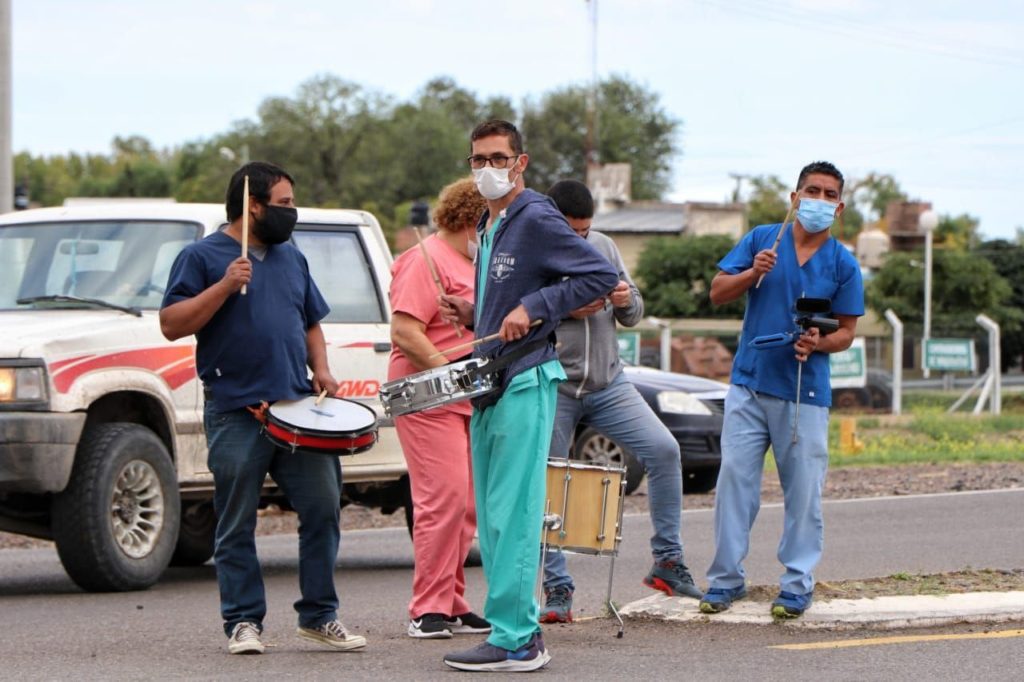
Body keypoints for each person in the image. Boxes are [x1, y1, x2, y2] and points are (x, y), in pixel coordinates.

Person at [159, 162, 366, 655]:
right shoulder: (201, 256)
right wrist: (226, 285)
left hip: (298, 408)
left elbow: (311, 321)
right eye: (286, 203)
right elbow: (171, 323)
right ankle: (243, 622)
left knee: (322, 510)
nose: (291, 214)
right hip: (236, 411)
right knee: (235, 521)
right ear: (255, 204)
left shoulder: (291, 257)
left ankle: (319, 616)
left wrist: (322, 367)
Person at [437, 120, 619, 672]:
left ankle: (519, 638)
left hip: (524, 380)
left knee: (513, 513)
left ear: (521, 162)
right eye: (477, 159)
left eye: (497, 157)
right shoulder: (493, 224)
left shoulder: (536, 216)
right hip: (492, 382)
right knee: (493, 513)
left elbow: (599, 275)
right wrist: (478, 314)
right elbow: (507, 300)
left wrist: (537, 306)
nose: (486, 169)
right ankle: (510, 628)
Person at [700, 161, 864, 619]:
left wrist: (818, 342)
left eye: (829, 194)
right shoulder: (761, 240)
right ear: (794, 198)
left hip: (803, 393)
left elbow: (847, 332)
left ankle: (796, 583)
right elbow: (717, 291)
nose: (819, 200)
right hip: (750, 385)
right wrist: (753, 273)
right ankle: (725, 580)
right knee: (734, 481)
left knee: (804, 492)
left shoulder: (843, 263)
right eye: (811, 191)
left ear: (840, 206)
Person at [537, 180, 702, 625]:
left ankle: (667, 561)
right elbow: (516, 312)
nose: (582, 239)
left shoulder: (605, 246)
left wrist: (627, 301)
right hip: (556, 384)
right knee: (551, 482)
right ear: (553, 221)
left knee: (665, 450)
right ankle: (557, 589)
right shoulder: (535, 250)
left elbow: (633, 313)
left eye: (587, 230)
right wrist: (567, 308)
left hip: (609, 382)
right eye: (574, 232)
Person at [388, 177, 491, 639]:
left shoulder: (472, 259)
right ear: (474, 219)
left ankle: (450, 599)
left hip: (461, 394)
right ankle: (426, 607)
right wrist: (448, 376)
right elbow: (405, 331)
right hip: (430, 395)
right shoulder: (422, 259)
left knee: (466, 502)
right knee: (442, 498)